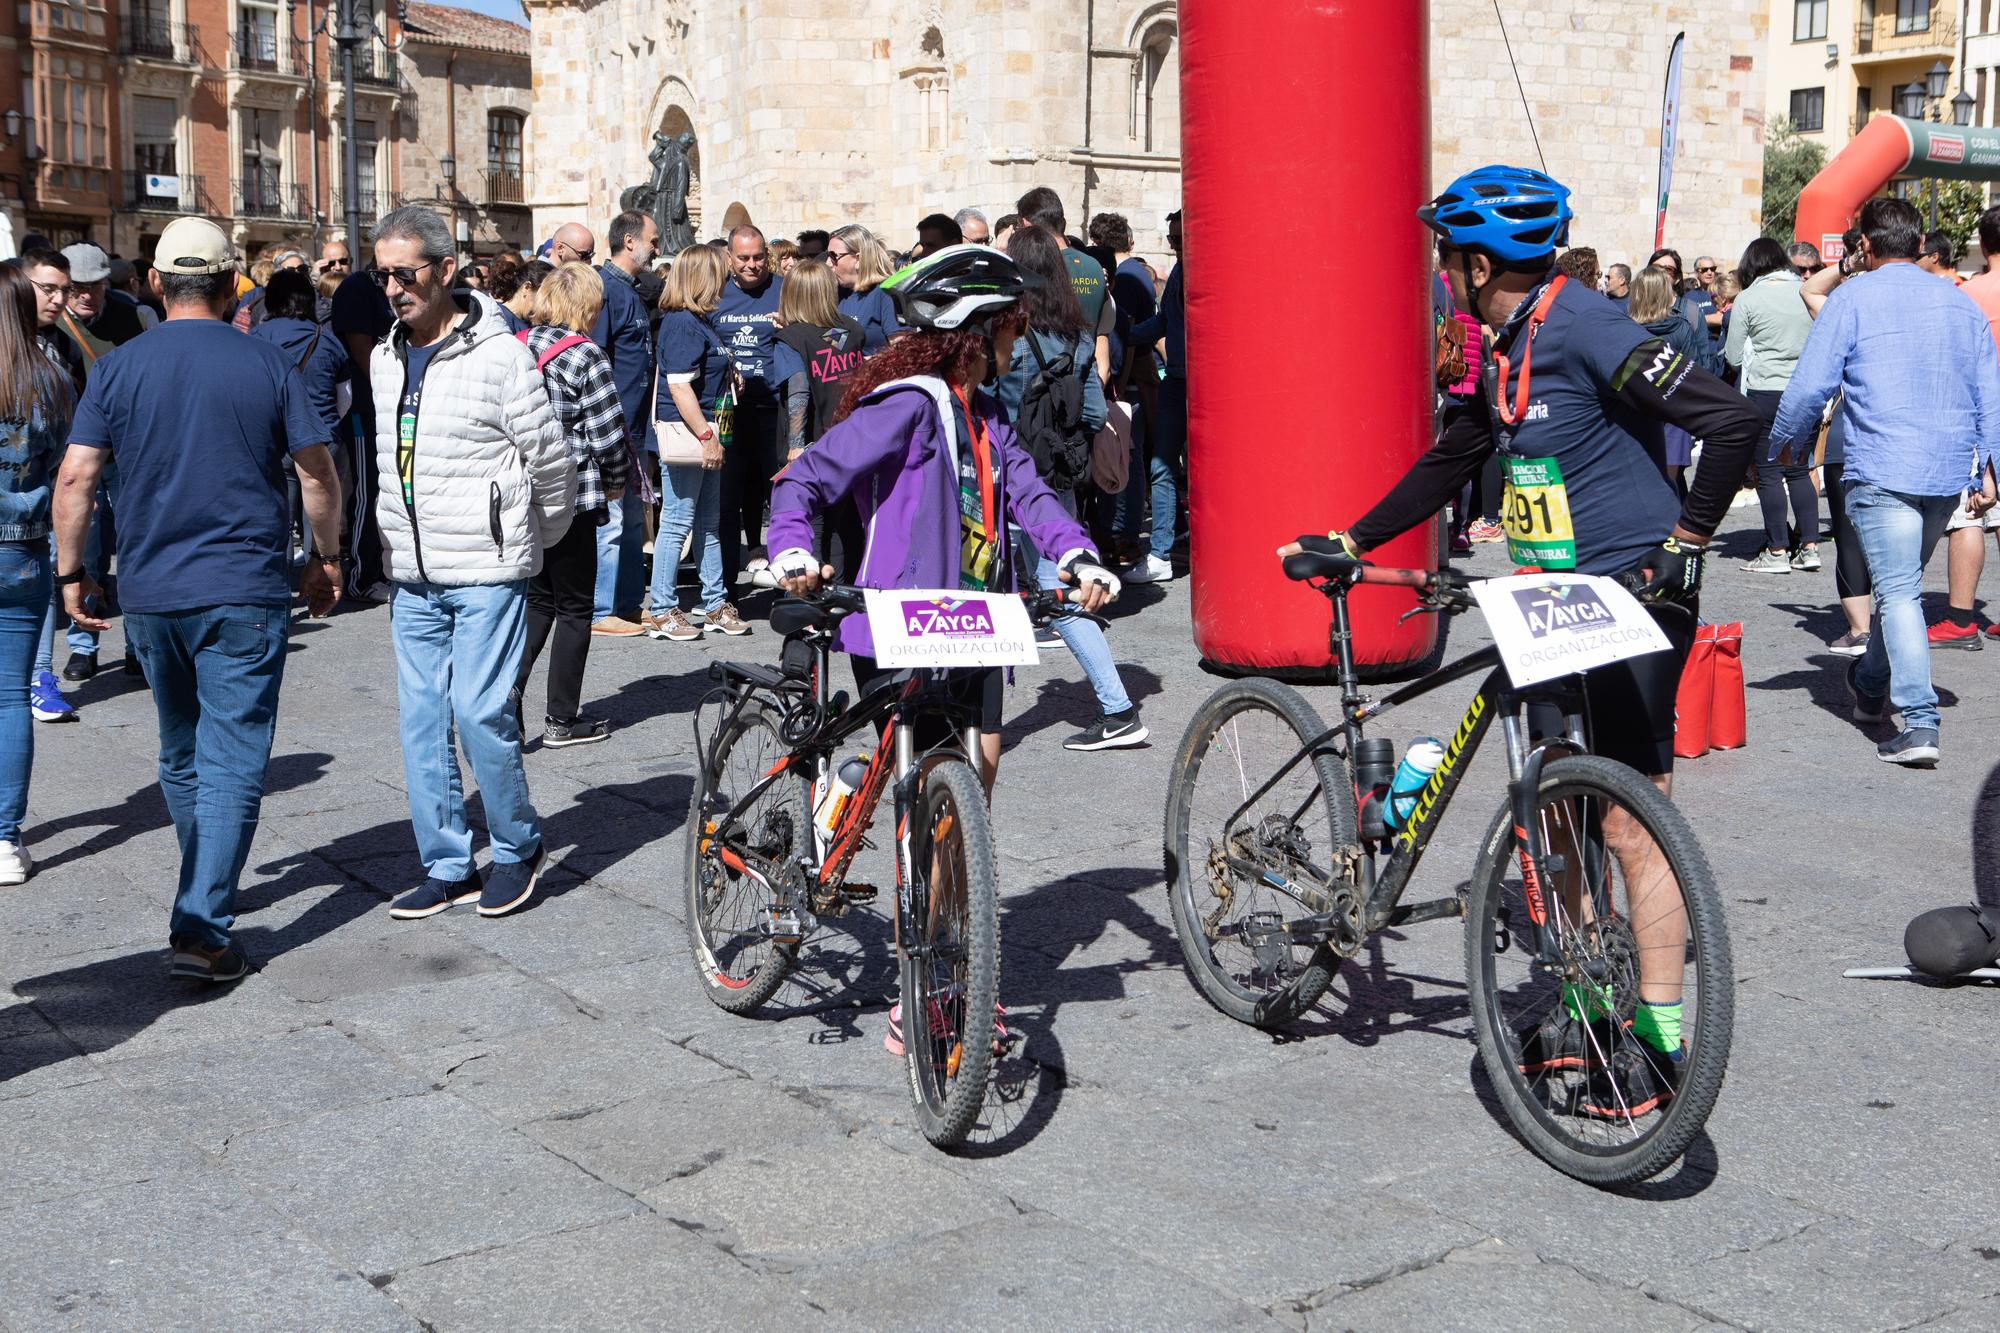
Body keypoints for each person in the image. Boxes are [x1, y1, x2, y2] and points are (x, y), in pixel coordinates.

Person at [1293, 165, 1761, 1115]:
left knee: (1633, 818)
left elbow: (1733, 417)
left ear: (1472, 263)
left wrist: (1687, 543)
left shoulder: (1584, 322)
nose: (1439, 270)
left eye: (1443, 255)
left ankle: (1658, 1039)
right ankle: (1584, 998)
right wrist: (1353, 538)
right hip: (1549, 599)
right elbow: (1458, 451)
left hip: (1633, 588)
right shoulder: (1503, 345)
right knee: (1555, 804)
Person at [53, 216, 342, 982]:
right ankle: (203, 924)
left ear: (153, 283)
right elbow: (317, 474)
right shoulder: (264, 363)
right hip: (243, 586)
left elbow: (77, 476)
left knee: (182, 751)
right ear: (228, 286)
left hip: (150, 591)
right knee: (233, 756)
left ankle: (203, 886)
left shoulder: (118, 368)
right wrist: (327, 557)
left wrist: (72, 573)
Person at [768, 244, 1121, 789]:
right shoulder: (907, 405)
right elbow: (805, 476)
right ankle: (844, 795)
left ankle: (949, 870)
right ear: (977, 332)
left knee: (975, 782)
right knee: (923, 778)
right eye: (1015, 322)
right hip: (905, 621)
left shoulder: (986, 411)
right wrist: (792, 549)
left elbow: (1030, 493)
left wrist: (1076, 552)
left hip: (977, 620)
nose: (1020, 335)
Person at [365, 205, 574, 920]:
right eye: (382, 273)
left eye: (406, 272)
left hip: (487, 568)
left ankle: (517, 847)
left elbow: (549, 459)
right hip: (413, 574)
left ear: (446, 270)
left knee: (481, 712)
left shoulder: (500, 353)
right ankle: (447, 862)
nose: (393, 287)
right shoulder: (384, 356)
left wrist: (528, 538)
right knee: (421, 722)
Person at [1769, 197, 2000, 767]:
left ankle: (1920, 721)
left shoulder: (1851, 298)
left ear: (1864, 247)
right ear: (1921, 245)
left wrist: (1782, 445)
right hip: (1946, 469)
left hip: (1882, 462)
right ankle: (1871, 688)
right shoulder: (1959, 301)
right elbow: (1988, 389)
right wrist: (1991, 466)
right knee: (1902, 586)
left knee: (1897, 593)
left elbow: (1808, 386)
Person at [996, 227, 1148, 750]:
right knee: (1052, 583)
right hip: (1056, 473)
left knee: (1044, 591)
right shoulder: (1080, 333)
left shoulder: (1009, 336)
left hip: (1009, 473)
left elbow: (990, 405)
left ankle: (1117, 707)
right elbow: (1089, 410)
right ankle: (1116, 707)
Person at [514, 262, 630, 746]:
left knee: (538, 602)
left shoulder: (517, 347)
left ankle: (504, 699)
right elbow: (608, 435)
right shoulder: (587, 357)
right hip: (575, 494)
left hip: (524, 492)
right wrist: (618, 481)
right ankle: (562, 719)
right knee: (576, 608)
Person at [0, 266, 76, 882]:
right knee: (9, 698)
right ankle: (3, 840)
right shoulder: (50, 380)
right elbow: (65, 474)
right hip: (24, 551)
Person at [646, 245, 739, 641]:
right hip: (693, 433)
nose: (726, 280)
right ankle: (663, 608)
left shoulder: (698, 320)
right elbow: (679, 386)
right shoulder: (683, 323)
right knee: (678, 522)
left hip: (707, 432)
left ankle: (715, 601)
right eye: (720, 273)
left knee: (707, 522)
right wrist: (705, 435)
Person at [573, 213, 657, 637]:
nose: (657, 248)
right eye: (652, 240)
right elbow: (596, 354)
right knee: (612, 522)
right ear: (629, 240)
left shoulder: (631, 291)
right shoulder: (606, 291)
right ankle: (601, 607)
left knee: (633, 521)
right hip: (613, 426)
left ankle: (626, 602)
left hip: (635, 428)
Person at [1724, 237, 1817, 575]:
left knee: (1768, 473)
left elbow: (1733, 357)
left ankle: (1777, 549)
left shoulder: (1748, 299)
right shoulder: (1806, 292)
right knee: (1798, 469)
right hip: (1804, 391)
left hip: (1765, 391)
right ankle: (1809, 546)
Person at [252, 269, 354, 566]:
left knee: (278, 518)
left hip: (273, 439)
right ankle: (320, 578)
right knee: (320, 515)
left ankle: (280, 588)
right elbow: (345, 397)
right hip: (322, 438)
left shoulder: (256, 337)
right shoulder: (327, 338)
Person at [1934, 204, 2000, 650]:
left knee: (1969, 515)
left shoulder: (1970, 293)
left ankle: (1960, 619)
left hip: (1981, 412)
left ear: (1984, 242)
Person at [715, 224, 786, 587]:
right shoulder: (717, 293)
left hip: (776, 409)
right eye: (743, 258)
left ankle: (786, 583)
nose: (753, 264)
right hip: (730, 413)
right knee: (727, 501)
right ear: (729, 258)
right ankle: (726, 587)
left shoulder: (783, 290)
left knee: (782, 499)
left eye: (759, 257)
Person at [331, 239, 398, 601]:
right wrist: (391, 391)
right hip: (363, 407)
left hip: (384, 406)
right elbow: (361, 350)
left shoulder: (391, 286)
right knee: (366, 490)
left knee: (383, 489)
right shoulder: (357, 288)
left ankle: (379, 567)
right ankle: (361, 574)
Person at [1126, 209, 1185, 584]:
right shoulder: (1180, 270)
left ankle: (1173, 545)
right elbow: (1165, 321)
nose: (1172, 244)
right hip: (1178, 382)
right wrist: (1122, 336)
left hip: (1200, 384)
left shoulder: (1201, 268)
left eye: (1178, 238)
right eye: (1171, 238)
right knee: (1163, 468)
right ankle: (1163, 550)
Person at [1625, 267, 1708, 493]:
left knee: (1640, 482)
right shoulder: (1681, 326)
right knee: (1669, 484)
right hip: (1674, 411)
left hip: (1637, 412)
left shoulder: (1626, 329)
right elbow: (1693, 370)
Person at [827, 224, 899, 352]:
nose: (828, 263)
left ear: (858, 259)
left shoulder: (887, 293)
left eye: (833, 256)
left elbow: (903, 352)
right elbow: (836, 347)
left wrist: (862, 363)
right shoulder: (839, 293)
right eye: (827, 255)